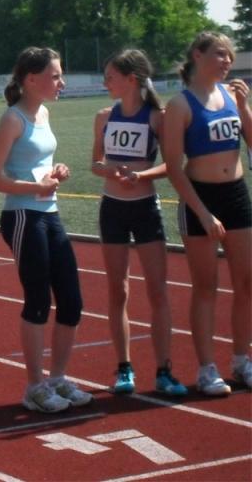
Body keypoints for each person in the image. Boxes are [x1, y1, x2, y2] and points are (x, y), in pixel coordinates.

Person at [0, 47, 93, 413]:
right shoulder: (13, 119)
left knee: (72, 301)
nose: (62, 82)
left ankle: (57, 378)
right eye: (55, 76)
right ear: (31, 80)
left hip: (49, 213)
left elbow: (37, 163)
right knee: (38, 300)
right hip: (22, 216)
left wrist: (56, 171)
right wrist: (36, 187)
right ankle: (34, 386)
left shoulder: (43, 113)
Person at [91, 50, 186, 396]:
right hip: (112, 209)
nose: (105, 83)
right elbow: (95, 163)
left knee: (157, 290)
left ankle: (164, 371)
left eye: (110, 77)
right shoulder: (104, 117)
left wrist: (141, 175)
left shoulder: (158, 118)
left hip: (145, 208)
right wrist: (109, 170)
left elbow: (173, 164)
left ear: (131, 79)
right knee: (118, 290)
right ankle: (124, 368)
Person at [162, 32, 252, 396]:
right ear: (197, 55)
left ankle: (242, 360)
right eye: (220, 54)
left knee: (247, 282)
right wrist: (202, 212)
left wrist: (245, 108)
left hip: (236, 195)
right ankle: (207, 369)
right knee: (206, 286)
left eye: (230, 55)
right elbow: (173, 166)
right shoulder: (180, 105)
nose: (227, 61)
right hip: (200, 197)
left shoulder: (232, 96)